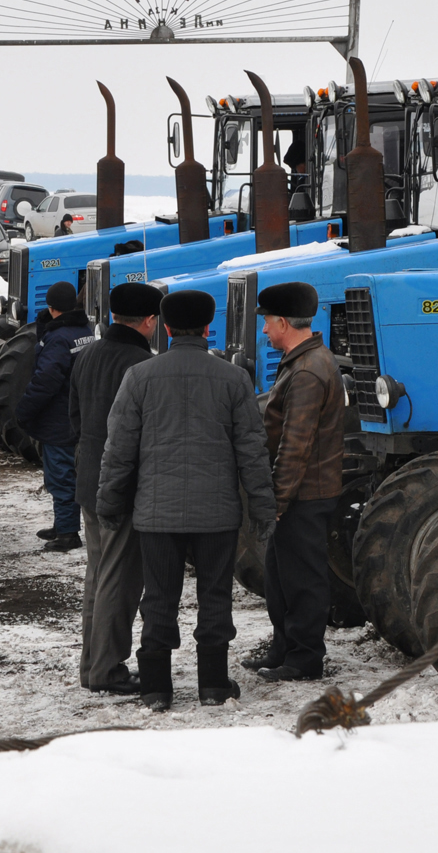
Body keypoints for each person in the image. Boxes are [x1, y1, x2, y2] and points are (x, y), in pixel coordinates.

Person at [96, 289, 275, 711]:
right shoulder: (234, 379)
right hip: (217, 515)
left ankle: (156, 688)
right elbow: (253, 451)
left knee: (158, 597)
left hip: (156, 515)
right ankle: (213, 684)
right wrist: (264, 509)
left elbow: (118, 449)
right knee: (216, 596)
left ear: (168, 327)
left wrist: (109, 502)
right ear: (209, 327)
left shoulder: (140, 377)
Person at [246, 282, 346, 683]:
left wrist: (278, 501)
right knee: (280, 575)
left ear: (284, 322)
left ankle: (305, 659)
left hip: (305, 495)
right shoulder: (304, 361)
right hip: (300, 493)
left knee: (302, 580)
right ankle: (284, 648)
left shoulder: (306, 371)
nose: (265, 331)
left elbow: (295, 446)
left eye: (268, 323)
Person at [68, 280, 160, 695]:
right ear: (149, 321)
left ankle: (92, 664)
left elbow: (74, 418)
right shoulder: (140, 365)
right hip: (122, 484)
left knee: (97, 574)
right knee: (119, 581)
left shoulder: (86, 354)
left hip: (89, 477)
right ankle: (106, 669)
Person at [14, 281, 94, 552]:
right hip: (77, 414)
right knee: (65, 473)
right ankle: (63, 524)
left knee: (60, 476)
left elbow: (45, 380)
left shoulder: (58, 338)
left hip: (59, 419)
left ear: (51, 307)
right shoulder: (85, 331)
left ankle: (68, 532)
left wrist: (24, 410)